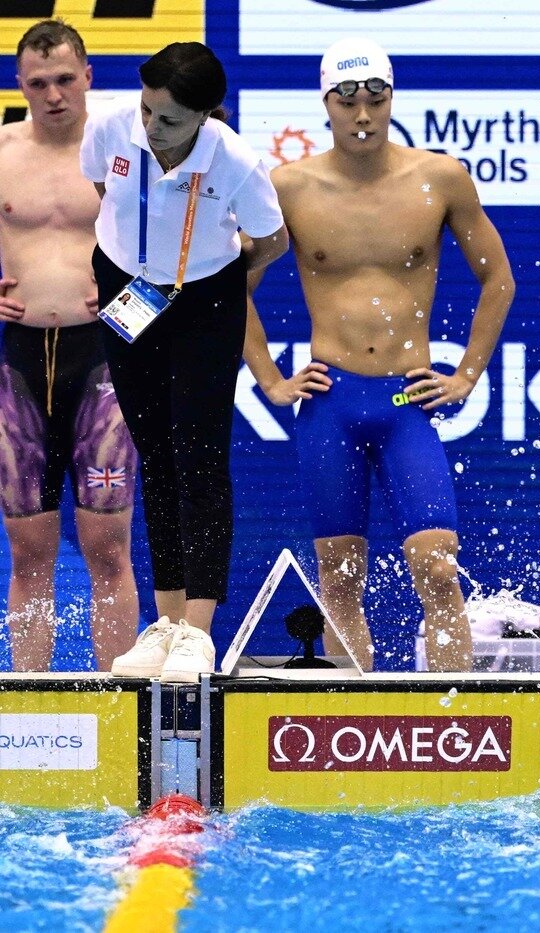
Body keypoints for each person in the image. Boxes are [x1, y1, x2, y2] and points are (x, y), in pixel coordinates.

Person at [243, 38, 514, 672]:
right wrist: (271, 381)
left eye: (375, 98)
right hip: (330, 404)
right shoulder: (288, 186)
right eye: (347, 100)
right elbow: (232, 291)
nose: (362, 114)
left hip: (404, 403)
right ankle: (352, 718)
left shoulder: (440, 178)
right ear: (325, 104)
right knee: (338, 584)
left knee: (438, 571)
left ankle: (462, 725)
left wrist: (468, 374)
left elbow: (498, 278)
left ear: (391, 98)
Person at [81, 42, 287, 681]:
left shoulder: (234, 160)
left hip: (203, 298)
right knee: (155, 453)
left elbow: (272, 239)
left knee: (198, 454)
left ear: (205, 116)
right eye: (147, 111)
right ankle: (166, 622)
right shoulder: (109, 126)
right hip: (125, 287)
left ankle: (197, 629)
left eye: (168, 120)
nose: (151, 127)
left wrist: (211, 284)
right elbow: (103, 189)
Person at [0, 20, 139, 672]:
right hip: (19, 365)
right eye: (37, 83)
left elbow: (185, 259)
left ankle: (123, 712)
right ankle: (33, 714)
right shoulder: (1, 151)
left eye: (64, 79)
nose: (53, 94)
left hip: (103, 362)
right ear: (20, 84)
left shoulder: (127, 152)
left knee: (107, 548)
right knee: (28, 553)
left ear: (87, 76)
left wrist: (130, 308)